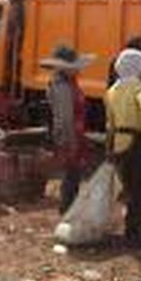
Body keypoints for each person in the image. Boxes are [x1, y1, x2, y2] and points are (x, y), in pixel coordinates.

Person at [105, 48, 141, 247]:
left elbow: (109, 123)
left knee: (128, 186)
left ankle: (131, 226)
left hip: (119, 142)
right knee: (140, 187)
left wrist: (109, 147)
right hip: (139, 142)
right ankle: (134, 232)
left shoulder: (112, 91)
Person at [40, 45, 94, 214]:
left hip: (74, 132)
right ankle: (67, 210)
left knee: (73, 175)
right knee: (71, 176)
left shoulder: (66, 83)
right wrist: (70, 142)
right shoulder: (62, 86)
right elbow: (64, 118)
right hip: (70, 134)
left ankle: (68, 209)